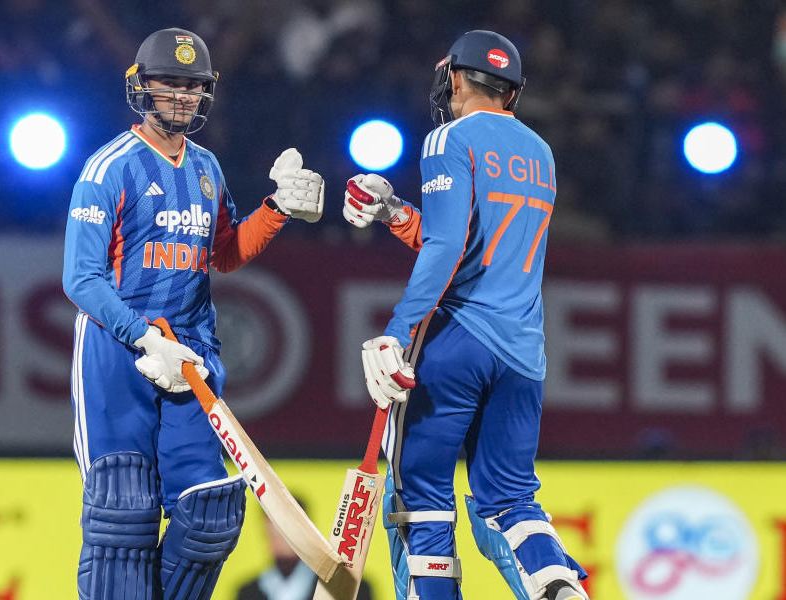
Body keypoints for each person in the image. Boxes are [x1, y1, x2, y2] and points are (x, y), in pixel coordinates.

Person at [62, 27, 324, 600]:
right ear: (141, 88)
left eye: (192, 86)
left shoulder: (207, 167)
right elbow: (80, 279)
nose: (181, 96)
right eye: (169, 84)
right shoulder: (109, 168)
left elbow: (225, 253)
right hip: (119, 353)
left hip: (193, 361)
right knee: (123, 515)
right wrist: (142, 338)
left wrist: (276, 209)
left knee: (210, 517)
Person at [343, 30, 588, 600]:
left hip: (455, 340)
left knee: (419, 498)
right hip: (524, 353)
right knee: (509, 500)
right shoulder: (540, 150)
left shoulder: (447, 139)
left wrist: (398, 331)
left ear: (454, 78)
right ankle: (554, 580)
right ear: (512, 91)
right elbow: (482, 244)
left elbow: (449, 247)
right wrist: (396, 211)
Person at [235, 497, 374, 600]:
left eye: (284, 532)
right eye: (272, 534)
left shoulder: (347, 589)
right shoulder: (248, 592)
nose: (277, 541)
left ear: (307, 532)